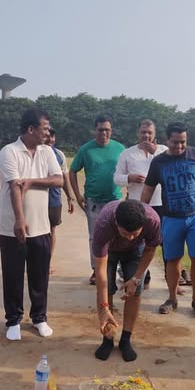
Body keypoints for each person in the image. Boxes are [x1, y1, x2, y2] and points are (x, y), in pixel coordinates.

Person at [0, 108, 62, 341]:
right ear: (31, 129)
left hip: (41, 225)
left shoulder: (47, 151)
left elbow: (59, 180)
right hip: (12, 226)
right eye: (44, 128)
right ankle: (13, 320)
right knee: (13, 275)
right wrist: (19, 219)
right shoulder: (10, 152)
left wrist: (33, 181)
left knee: (40, 275)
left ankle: (39, 318)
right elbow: (15, 186)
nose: (48, 132)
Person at [141, 122, 195, 318]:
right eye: (175, 142)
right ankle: (172, 298)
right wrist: (142, 213)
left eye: (183, 142)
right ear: (167, 140)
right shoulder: (158, 162)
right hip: (171, 218)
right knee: (172, 259)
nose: (179, 146)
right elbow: (148, 189)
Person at [92, 200, 161, 362]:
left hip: (135, 251)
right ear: (116, 223)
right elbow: (101, 274)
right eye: (125, 233)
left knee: (135, 291)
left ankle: (125, 339)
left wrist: (136, 278)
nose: (130, 238)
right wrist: (103, 308)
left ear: (143, 225)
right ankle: (107, 338)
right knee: (107, 288)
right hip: (109, 250)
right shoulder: (103, 225)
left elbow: (150, 249)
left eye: (135, 234)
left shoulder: (153, 221)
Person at [69, 115, 125, 285]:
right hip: (93, 201)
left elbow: (128, 171)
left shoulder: (119, 148)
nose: (104, 133)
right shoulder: (86, 150)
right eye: (101, 130)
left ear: (111, 131)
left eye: (107, 130)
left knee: (118, 236)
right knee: (95, 236)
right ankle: (96, 269)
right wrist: (77, 195)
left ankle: (116, 269)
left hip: (114, 200)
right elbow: (72, 171)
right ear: (95, 130)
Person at [113, 119, 168, 290]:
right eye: (143, 132)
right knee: (138, 243)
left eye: (150, 132)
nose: (146, 135)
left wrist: (155, 152)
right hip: (138, 205)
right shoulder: (127, 153)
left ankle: (171, 278)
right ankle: (142, 276)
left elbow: (170, 170)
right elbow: (117, 178)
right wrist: (129, 178)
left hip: (162, 204)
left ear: (155, 134)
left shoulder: (164, 151)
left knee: (166, 242)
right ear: (138, 133)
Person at [45, 127, 74, 273]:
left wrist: (69, 197)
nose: (50, 139)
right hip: (37, 199)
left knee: (51, 229)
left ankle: (47, 262)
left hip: (54, 199)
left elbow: (65, 178)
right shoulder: (35, 152)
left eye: (52, 136)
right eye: (47, 136)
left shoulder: (59, 155)